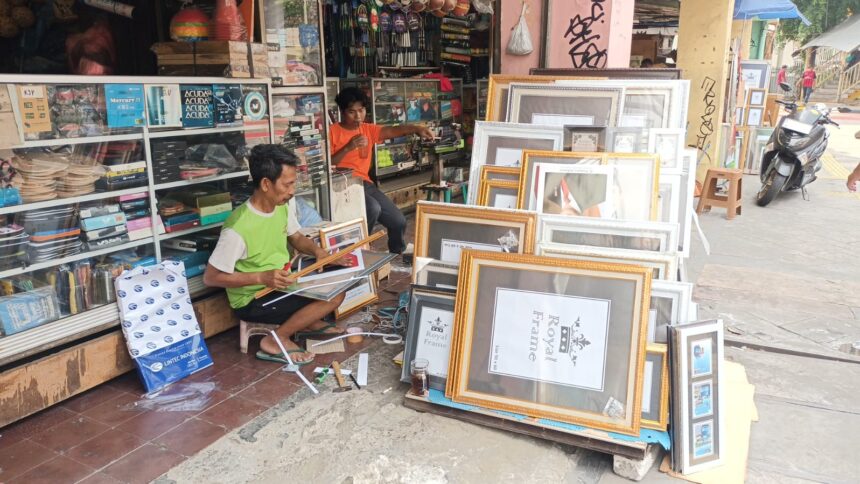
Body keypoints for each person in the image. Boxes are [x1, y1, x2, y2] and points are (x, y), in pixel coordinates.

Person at [203, 144, 348, 365]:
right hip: (253, 299)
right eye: (288, 184)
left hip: (282, 283)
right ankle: (277, 338)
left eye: (293, 184)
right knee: (333, 296)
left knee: (339, 282)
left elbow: (296, 237)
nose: (292, 191)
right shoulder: (238, 228)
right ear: (265, 184)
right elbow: (211, 278)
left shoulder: (281, 205)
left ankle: (306, 320)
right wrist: (262, 277)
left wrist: (320, 253)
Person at [330, 87, 434, 254]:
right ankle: (361, 250)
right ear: (342, 112)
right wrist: (348, 147)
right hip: (342, 185)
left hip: (365, 183)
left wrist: (417, 128)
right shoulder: (332, 132)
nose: (358, 116)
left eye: (361, 110)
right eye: (352, 112)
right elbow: (329, 163)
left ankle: (398, 251)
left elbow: (393, 130)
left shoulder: (368, 129)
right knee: (372, 208)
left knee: (398, 221)